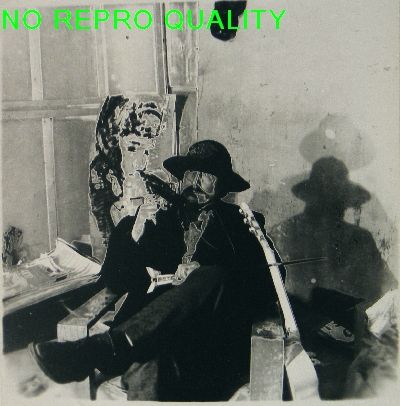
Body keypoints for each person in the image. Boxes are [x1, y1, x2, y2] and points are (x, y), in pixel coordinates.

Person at [29, 140, 280, 401]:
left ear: (223, 186)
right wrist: (136, 231)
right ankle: (111, 346)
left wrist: (208, 273)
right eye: (190, 173)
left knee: (212, 275)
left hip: (207, 335)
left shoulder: (242, 223)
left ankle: (105, 347)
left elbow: (271, 282)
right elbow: (114, 281)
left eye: (207, 175)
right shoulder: (155, 218)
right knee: (151, 364)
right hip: (151, 334)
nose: (195, 182)